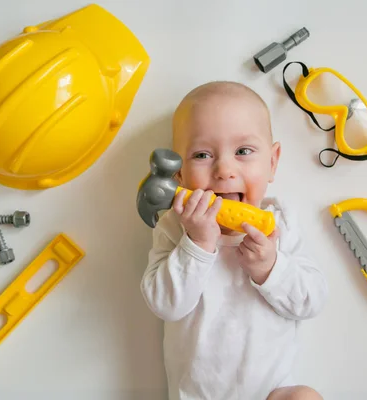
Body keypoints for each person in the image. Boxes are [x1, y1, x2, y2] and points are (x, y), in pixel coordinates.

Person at [140, 81, 327, 400]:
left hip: (272, 390)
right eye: (202, 154)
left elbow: (311, 300)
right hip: (197, 395)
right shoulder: (174, 227)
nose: (224, 170)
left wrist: (271, 267)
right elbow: (164, 305)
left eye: (243, 151)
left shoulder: (279, 224)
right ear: (179, 176)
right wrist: (197, 245)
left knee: (305, 397)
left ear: (272, 161)